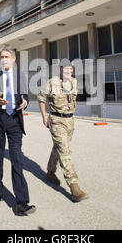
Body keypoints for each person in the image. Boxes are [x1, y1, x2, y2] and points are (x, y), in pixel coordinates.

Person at [0, 46, 36, 216]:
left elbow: (25, 96)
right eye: (2, 56)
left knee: (17, 159)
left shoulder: (20, 76)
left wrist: (25, 102)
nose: (4, 59)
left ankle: (21, 202)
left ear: (13, 59)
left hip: (14, 120)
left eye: (7, 56)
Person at [37, 59, 89, 202]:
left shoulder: (74, 82)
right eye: (66, 69)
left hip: (70, 121)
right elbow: (41, 99)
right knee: (65, 151)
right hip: (56, 120)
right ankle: (74, 187)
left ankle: (50, 171)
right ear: (60, 70)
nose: (68, 71)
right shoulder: (51, 82)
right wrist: (44, 117)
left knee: (59, 148)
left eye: (71, 69)